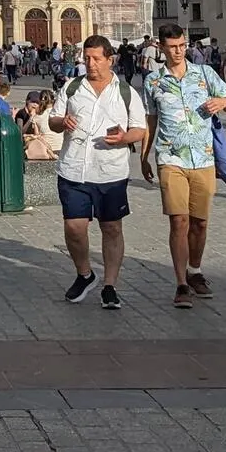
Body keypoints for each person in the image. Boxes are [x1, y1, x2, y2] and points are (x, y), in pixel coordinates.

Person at [139, 23, 226, 308]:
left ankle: (195, 269)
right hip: (171, 158)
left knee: (200, 222)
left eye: (182, 46)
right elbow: (150, 121)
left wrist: (222, 102)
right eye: (172, 47)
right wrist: (144, 157)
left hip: (204, 157)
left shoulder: (204, 74)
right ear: (162, 47)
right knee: (178, 220)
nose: (178, 51)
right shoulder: (153, 81)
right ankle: (181, 282)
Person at [50, 35, 147, 307]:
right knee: (74, 227)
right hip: (74, 168)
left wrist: (125, 139)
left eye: (96, 59)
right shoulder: (72, 87)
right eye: (87, 58)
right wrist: (62, 122)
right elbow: (53, 119)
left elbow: (140, 128)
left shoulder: (126, 91)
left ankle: (110, 285)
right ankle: (85, 273)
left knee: (111, 227)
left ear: (109, 60)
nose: (90, 64)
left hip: (110, 172)